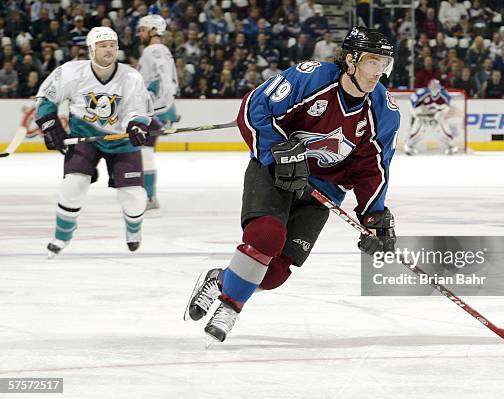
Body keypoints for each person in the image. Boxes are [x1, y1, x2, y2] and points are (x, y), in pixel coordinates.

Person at [186, 27, 400, 343]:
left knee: (273, 275)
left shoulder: (383, 110)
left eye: (384, 63)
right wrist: (277, 149)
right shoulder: (310, 78)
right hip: (276, 170)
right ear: (351, 60)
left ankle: (222, 280)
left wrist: (374, 215)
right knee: (266, 236)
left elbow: (374, 168)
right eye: (372, 61)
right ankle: (231, 306)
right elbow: (253, 108)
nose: (378, 72)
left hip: (323, 188)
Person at [35, 27, 154, 258]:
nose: (109, 49)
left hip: (121, 141)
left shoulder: (130, 76)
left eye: (112, 45)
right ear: (91, 49)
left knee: (133, 196)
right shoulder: (70, 72)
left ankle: (133, 231)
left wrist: (137, 125)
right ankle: (62, 236)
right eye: (103, 45)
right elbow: (45, 98)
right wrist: (50, 126)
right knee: (73, 184)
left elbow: (138, 109)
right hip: (84, 137)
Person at [136, 14, 180, 212]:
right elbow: (170, 83)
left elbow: (159, 82)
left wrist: (149, 105)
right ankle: (147, 194)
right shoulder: (162, 50)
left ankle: (148, 196)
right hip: (157, 109)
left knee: (142, 152)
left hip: (150, 111)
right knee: (143, 153)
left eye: (143, 30)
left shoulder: (152, 51)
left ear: (153, 30)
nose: (140, 34)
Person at [404, 79, 457, 155]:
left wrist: (440, 113)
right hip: (424, 115)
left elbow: (448, 106)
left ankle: (451, 146)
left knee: (442, 128)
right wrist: (415, 113)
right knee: (418, 129)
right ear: (429, 86)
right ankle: (409, 146)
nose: (435, 88)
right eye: (433, 86)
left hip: (436, 116)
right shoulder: (423, 92)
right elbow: (411, 102)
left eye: (437, 86)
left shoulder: (444, 94)